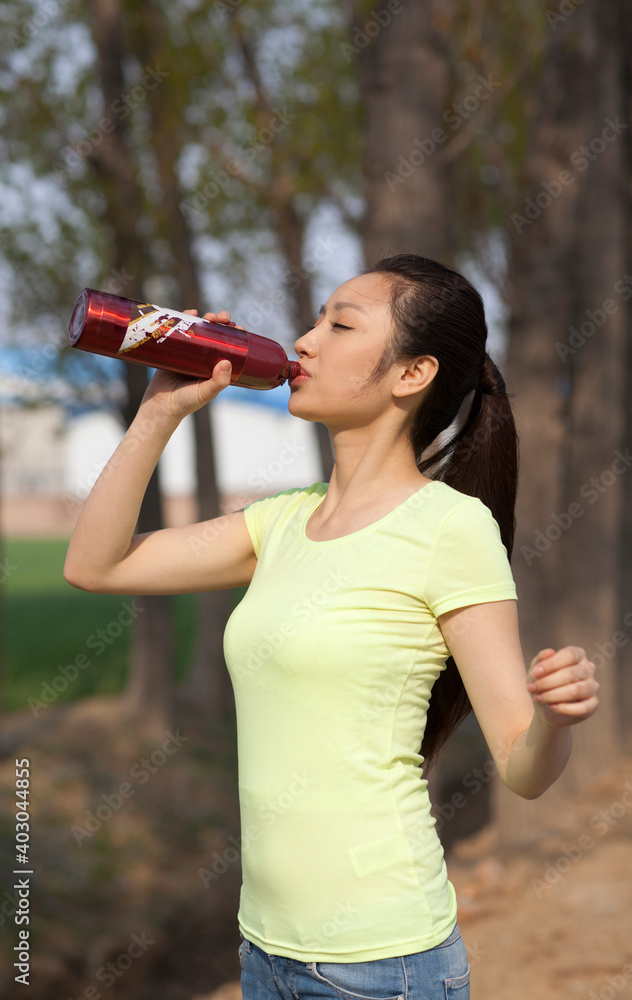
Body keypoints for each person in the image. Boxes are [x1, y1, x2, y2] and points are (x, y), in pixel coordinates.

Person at [64, 253, 599, 1000]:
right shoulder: (280, 521)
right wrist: (160, 409)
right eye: (314, 318)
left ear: (410, 375)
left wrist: (553, 718)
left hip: (380, 966)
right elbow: (96, 566)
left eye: (339, 325)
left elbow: (520, 766)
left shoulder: (448, 528)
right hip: (263, 952)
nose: (305, 341)